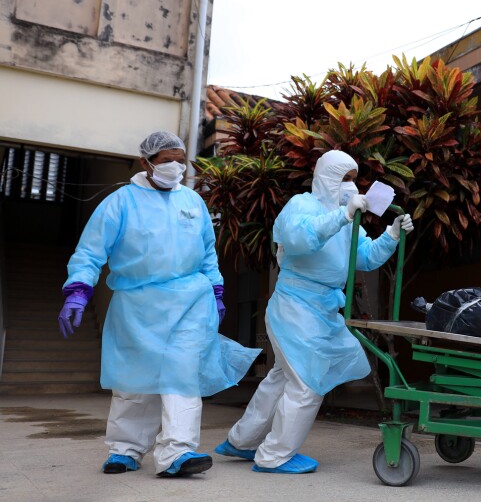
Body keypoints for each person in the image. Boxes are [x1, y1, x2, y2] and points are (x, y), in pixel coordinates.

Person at [57, 131, 260, 477]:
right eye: (167, 160)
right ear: (146, 163)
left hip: (189, 303)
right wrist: (78, 289)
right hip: (137, 305)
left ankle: (177, 454)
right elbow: (91, 250)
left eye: (180, 159)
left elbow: (208, 253)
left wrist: (216, 291)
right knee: (133, 380)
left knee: (181, 376)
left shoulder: (192, 202)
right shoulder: (121, 202)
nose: (176, 167)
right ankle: (125, 449)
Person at [214, 150, 413, 474]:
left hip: (320, 310)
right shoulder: (302, 207)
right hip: (294, 307)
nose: (350, 186)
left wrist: (391, 235)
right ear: (326, 178)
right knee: (307, 383)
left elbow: (363, 258)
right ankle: (274, 456)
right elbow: (299, 239)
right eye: (343, 178)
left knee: (280, 379)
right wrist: (343, 216)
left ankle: (241, 441)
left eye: (353, 179)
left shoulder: (349, 216)